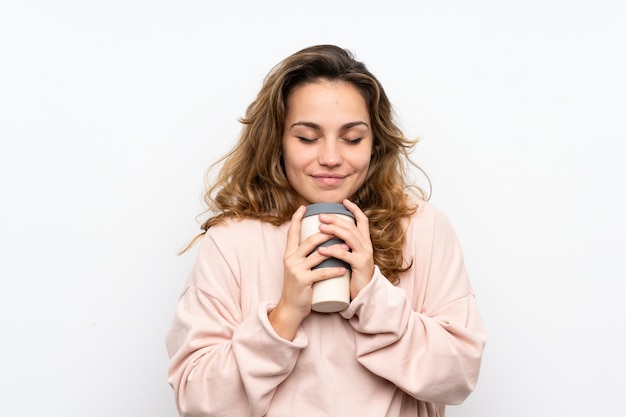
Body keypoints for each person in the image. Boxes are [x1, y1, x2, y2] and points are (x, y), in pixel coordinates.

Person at [165, 44, 486, 417]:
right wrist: (283, 316)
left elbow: (458, 377)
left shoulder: (422, 227)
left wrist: (371, 296)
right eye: (307, 137)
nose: (331, 157)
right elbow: (198, 401)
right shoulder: (233, 241)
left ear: (375, 142)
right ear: (278, 141)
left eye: (352, 138)